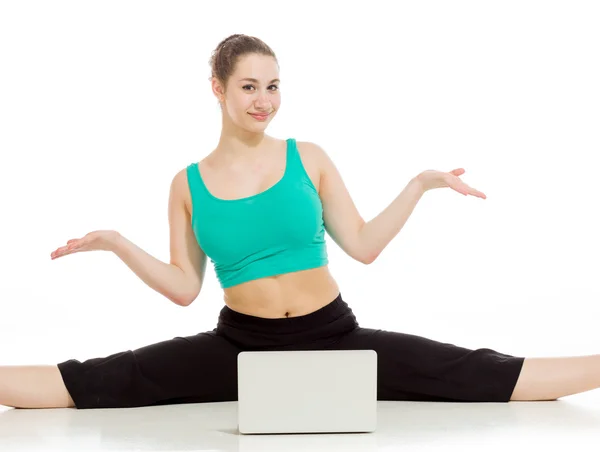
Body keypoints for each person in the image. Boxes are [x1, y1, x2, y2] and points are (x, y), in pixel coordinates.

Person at [1, 34, 597, 410]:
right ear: (218, 88)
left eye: (274, 86)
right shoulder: (186, 184)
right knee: (104, 381)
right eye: (250, 86)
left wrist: (418, 185)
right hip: (240, 344)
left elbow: (362, 246)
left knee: (474, 373)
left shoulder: (306, 159)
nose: (265, 100)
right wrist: (115, 243)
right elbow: (185, 288)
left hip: (331, 335)